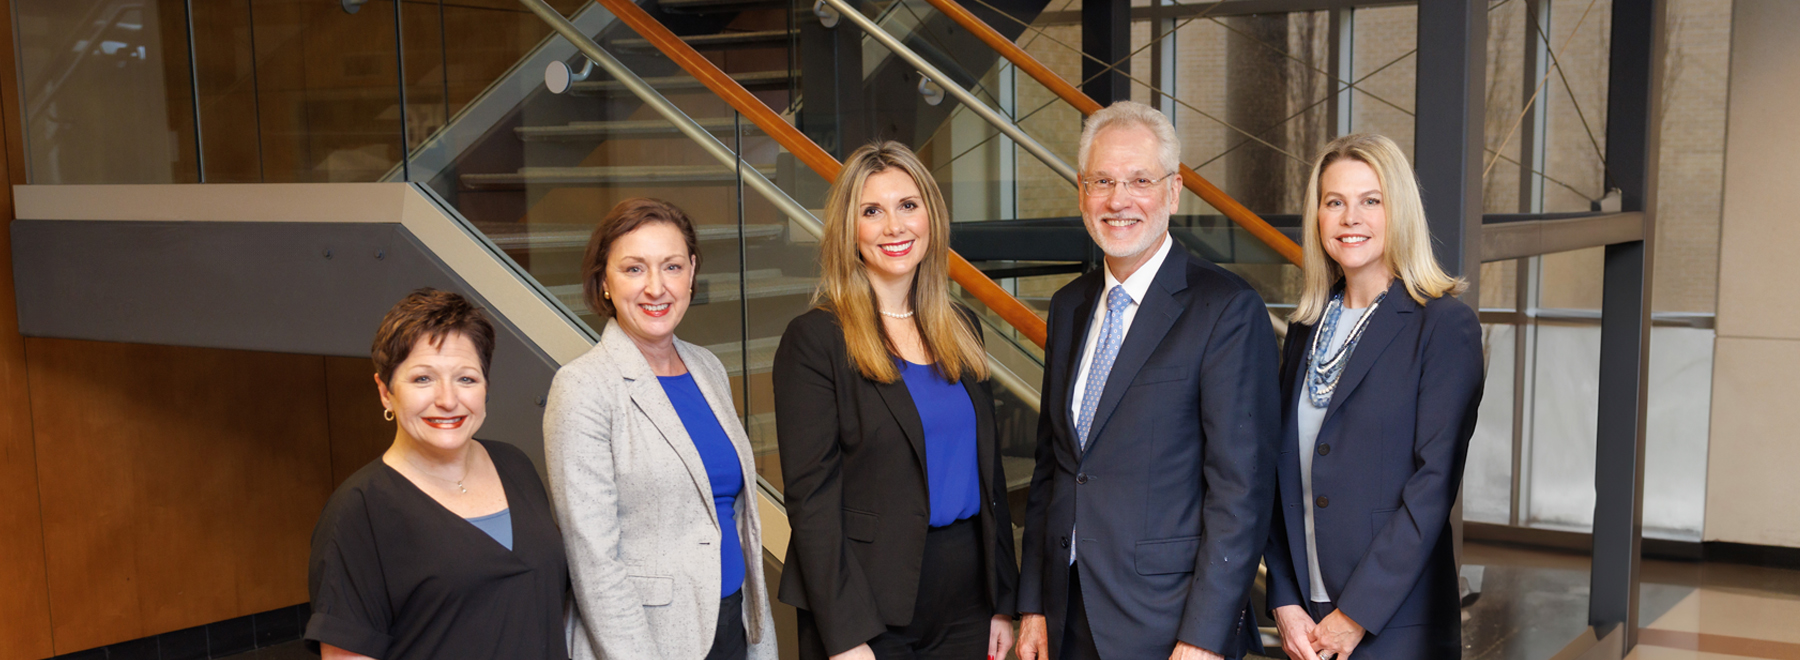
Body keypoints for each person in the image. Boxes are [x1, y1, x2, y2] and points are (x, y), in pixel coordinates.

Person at [1014, 101, 1281, 660]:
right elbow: (1054, 467)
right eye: (1102, 181)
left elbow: (1241, 493)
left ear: (1174, 191)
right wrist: (1034, 601)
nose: (1119, 200)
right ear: (1081, 190)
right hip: (1067, 616)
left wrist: (1204, 637)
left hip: (1168, 623)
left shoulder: (1226, 309)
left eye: (1140, 180)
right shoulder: (1069, 306)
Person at [773, 141, 1019, 660]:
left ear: (930, 215)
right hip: (868, 603)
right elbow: (811, 500)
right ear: (849, 230)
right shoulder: (817, 339)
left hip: (968, 599)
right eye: (872, 211)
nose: (895, 226)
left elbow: (988, 473)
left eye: (908, 205)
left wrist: (1003, 599)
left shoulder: (962, 327)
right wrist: (844, 636)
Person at [1264, 133, 1484, 660]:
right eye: (1334, 202)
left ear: (1398, 211)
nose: (1349, 217)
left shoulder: (1442, 326)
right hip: (1307, 622)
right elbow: (1273, 471)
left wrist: (1355, 615)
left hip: (1394, 622)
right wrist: (1285, 599)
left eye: (1370, 201)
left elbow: (1431, 490)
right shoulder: (1306, 329)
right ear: (1317, 217)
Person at [545, 198, 776, 660]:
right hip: (647, 640)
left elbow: (726, 516)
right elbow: (594, 560)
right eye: (634, 269)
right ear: (604, 282)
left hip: (731, 622)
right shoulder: (582, 387)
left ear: (691, 272)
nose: (656, 287)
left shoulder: (707, 368)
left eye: (671, 266)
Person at [305, 288, 568, 660]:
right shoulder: (358, 511)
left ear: (486, 387)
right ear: (385, 392)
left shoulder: (516, 465)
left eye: (466, 379)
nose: (447, 400)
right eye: (423, 379)